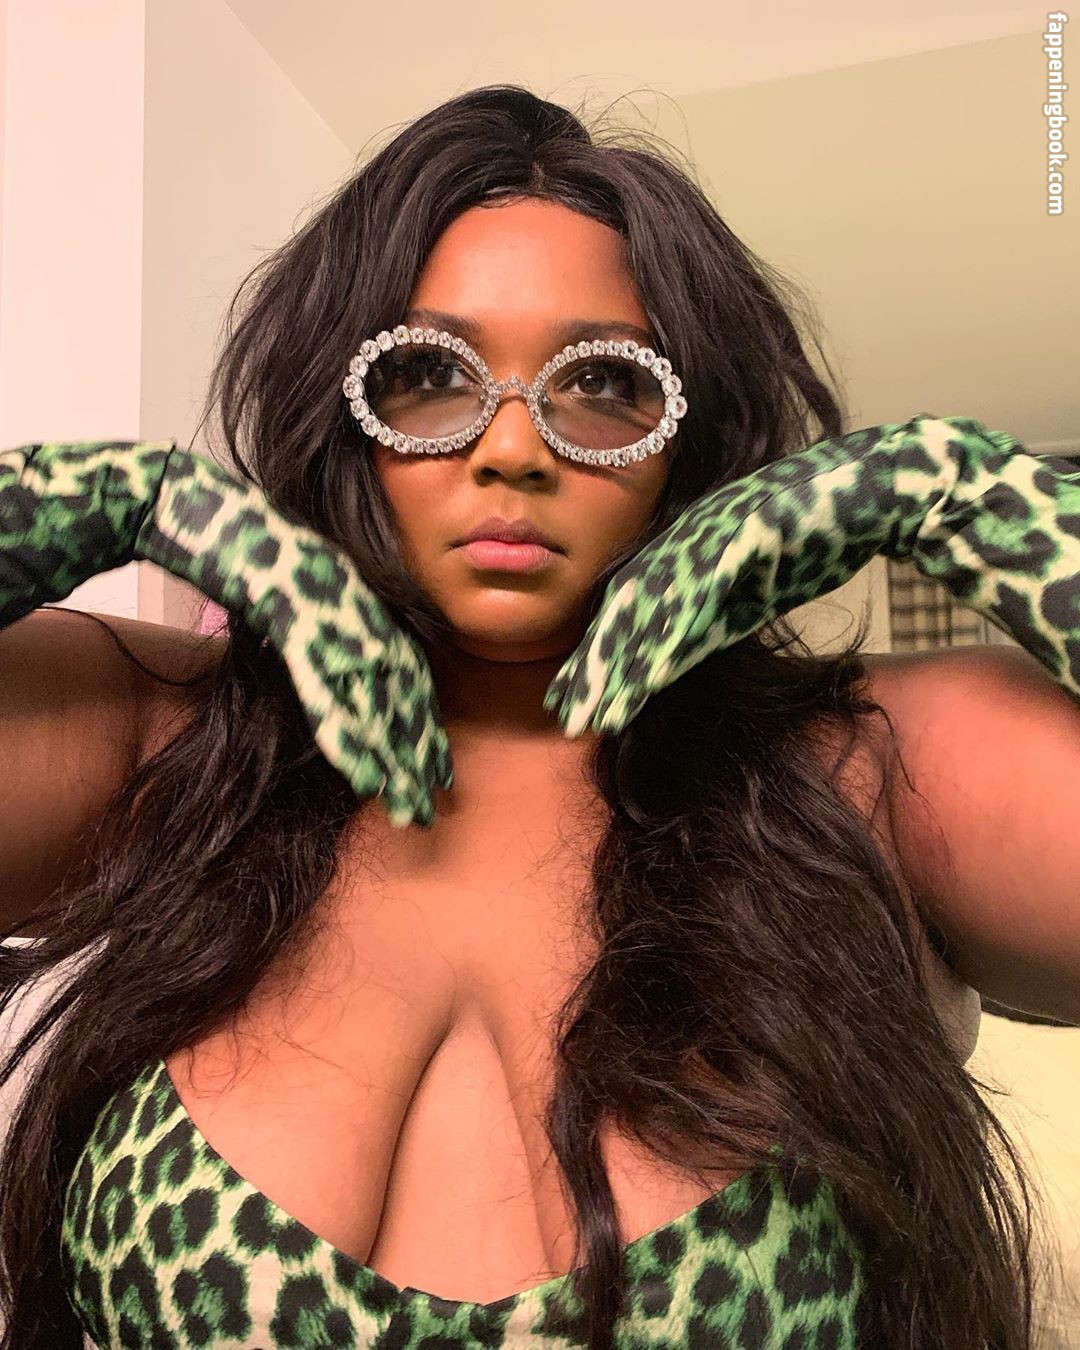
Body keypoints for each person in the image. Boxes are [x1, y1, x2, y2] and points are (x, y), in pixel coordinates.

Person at [0, 83, 1075, 1349]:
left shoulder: (863, 775)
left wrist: (946, 488)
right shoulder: (166, 748)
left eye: (606, 384)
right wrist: (120, 503)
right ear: (342, 418)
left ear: (692, 442)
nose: (512, 448)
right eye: (424, 375)